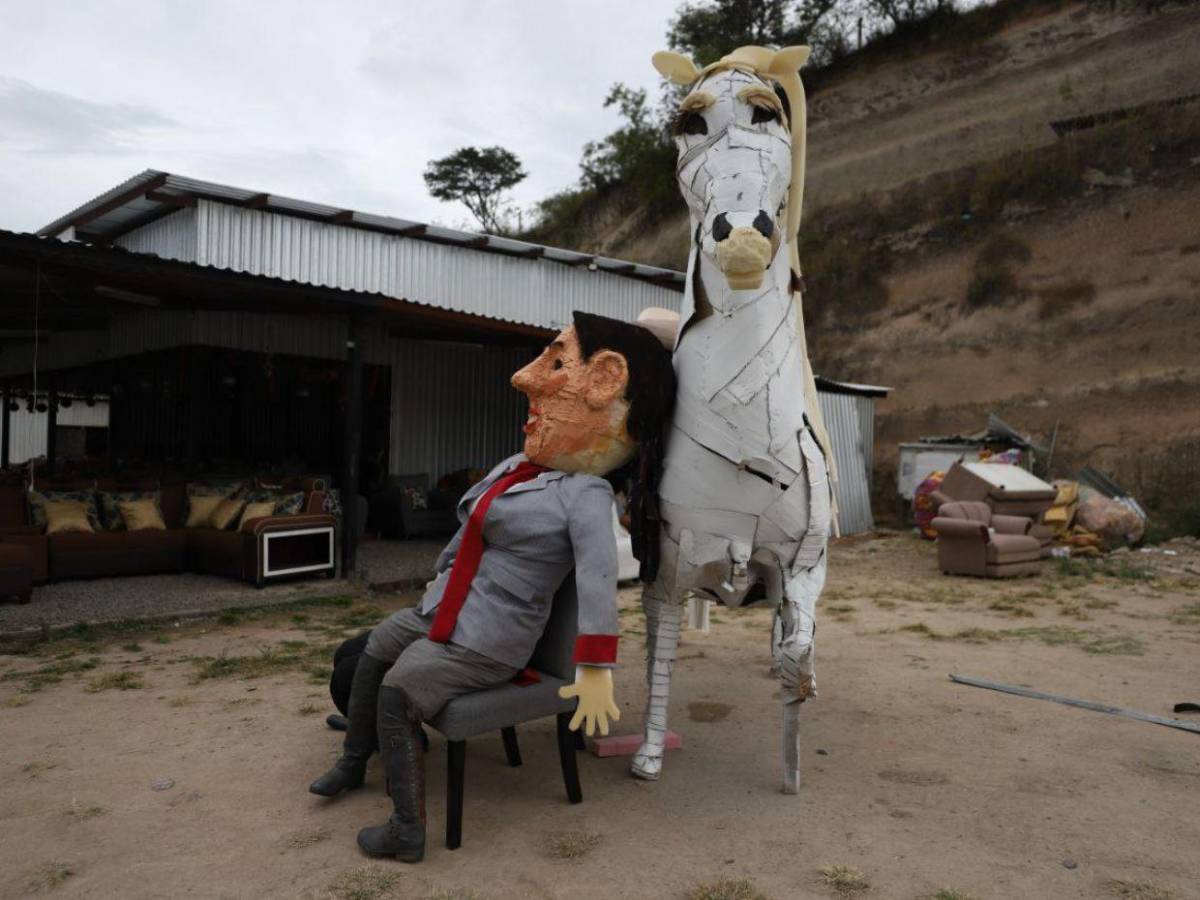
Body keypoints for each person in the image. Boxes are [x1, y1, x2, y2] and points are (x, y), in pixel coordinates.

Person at [308, 311, 676, 863]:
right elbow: (472, 526)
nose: (524, 380)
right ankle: (354, 758)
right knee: (378, 647)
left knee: (400, 686)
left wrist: (596, 668)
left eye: (555, 365)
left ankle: (407, 828)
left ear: (605, 383)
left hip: (488, 638)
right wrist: (441, 573)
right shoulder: (518, 466)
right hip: (446, 607)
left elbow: (599, 582)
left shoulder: (585, 495)